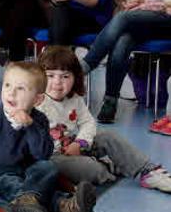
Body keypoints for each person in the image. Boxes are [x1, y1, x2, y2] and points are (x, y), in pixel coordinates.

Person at [0, 62, 98, 212]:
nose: (11, 92)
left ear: (37, 99)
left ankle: (57, 208)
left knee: (48, 168)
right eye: (7, 85)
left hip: (29, 172)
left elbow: (42, 155)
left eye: (21, 88)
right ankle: (63, 206)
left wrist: (30, 127)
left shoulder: (40, 120)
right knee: (13, 184)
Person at [38, 46, 171, 194]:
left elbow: (88, 122)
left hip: (74, 144)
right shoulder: (36, 101)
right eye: (50, 76)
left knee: (108, 136)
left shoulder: (74, 98)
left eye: (65, 76)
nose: (57, 82)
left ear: (75, 77)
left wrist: (79, 143)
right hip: (53, 157)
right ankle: (111, 166)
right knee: (92, 169)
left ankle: (148, 171)